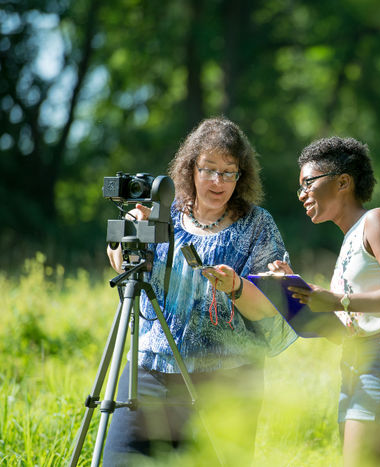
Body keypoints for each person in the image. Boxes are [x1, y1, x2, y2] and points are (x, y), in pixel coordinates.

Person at [103, 117, 296, 465]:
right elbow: (123, 264)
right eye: (209, 169)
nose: (218, 181)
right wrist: (129, 233)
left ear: (242, 176)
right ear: (190, 168)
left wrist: (237, 286)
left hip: (226, 384)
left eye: (229, 172)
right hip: (149, 373)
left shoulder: (258, 225)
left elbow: (272, 308)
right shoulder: (164, 214)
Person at [269, 136, 380, 466]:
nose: (302, 194)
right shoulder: (348, 241)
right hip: (359, 362)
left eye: (308, 183)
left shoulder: (377, 221)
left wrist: (337, 300)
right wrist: (296, 294)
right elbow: (345, 328)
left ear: (343, 182)